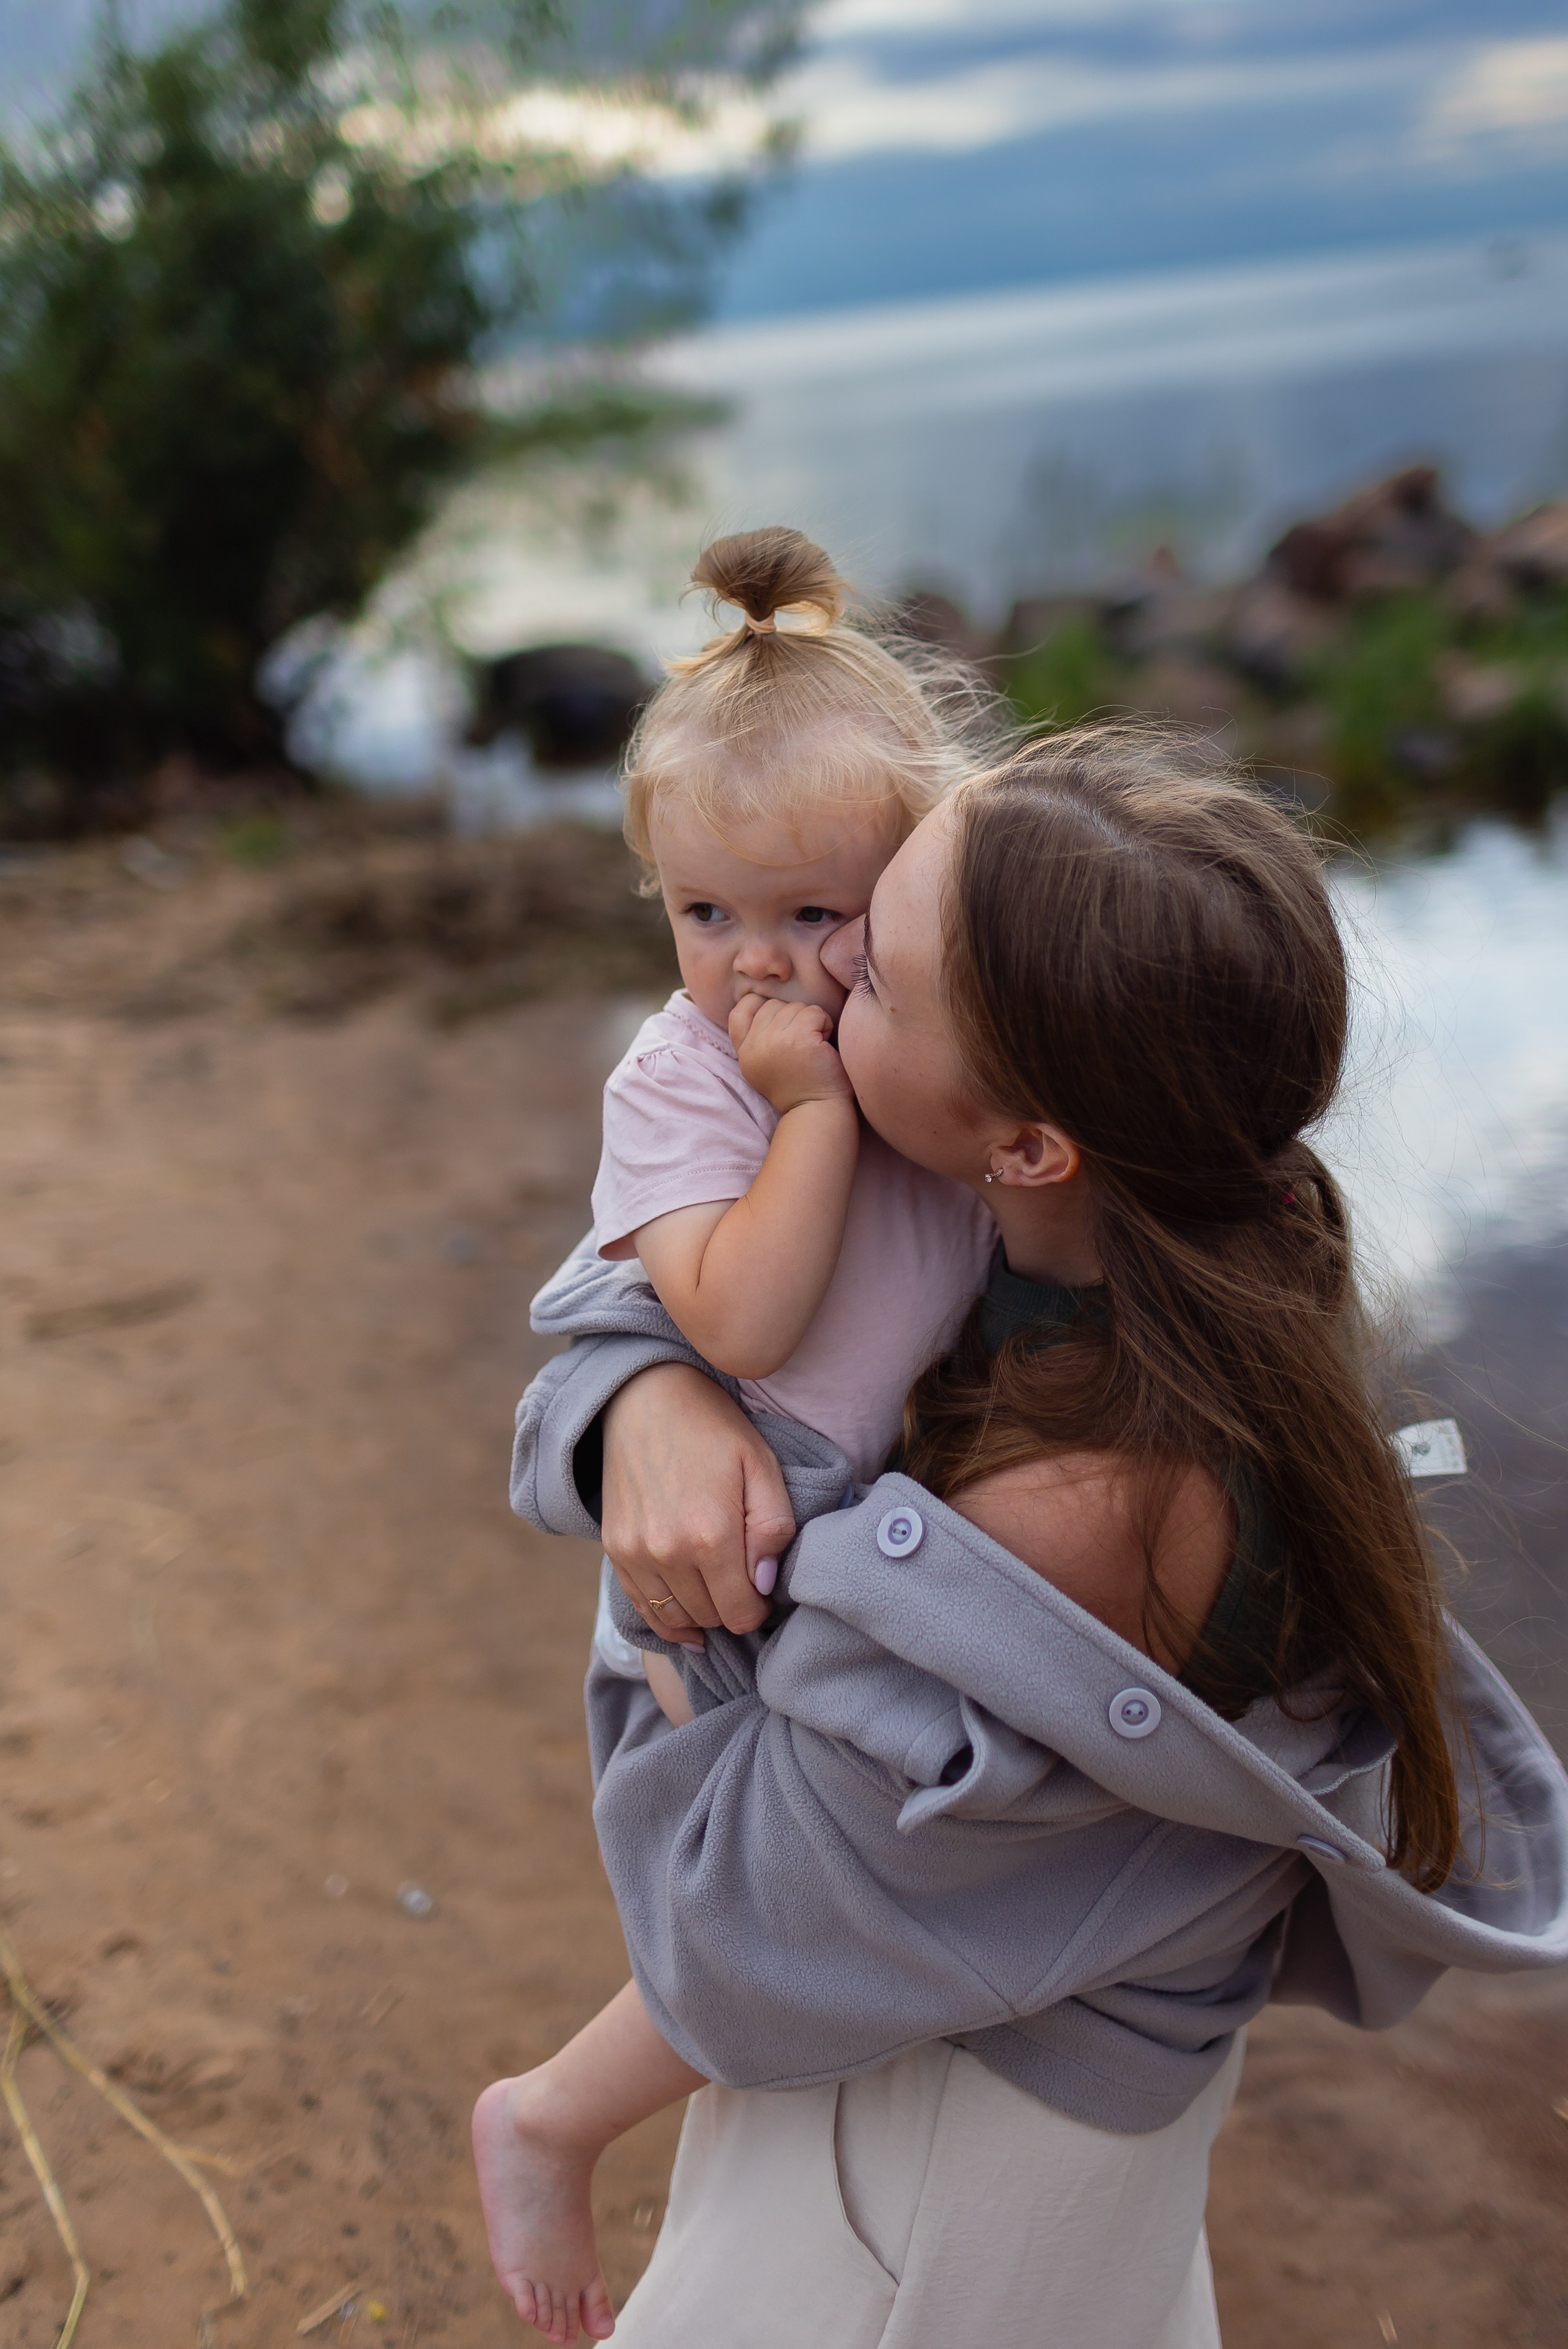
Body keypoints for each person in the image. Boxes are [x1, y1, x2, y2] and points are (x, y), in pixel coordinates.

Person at [490, 727, 1568, 2349]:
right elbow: (655, 1267)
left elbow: (730, 1931)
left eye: (875, 967)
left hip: (935, 2172)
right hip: (964, 2051)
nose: (826, 957)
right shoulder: (1171, 1240)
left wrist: (676, 1640)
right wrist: (648, 1384)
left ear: (1022, 1142)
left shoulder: (1083, 1511)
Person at [474, 525, 999, 2335]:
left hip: (867, 1536)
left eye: (810, 914)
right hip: (724, 1578)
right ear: (659, 903)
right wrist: (809, 1117)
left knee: (864, 1889)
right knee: (763, 1908)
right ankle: (550, 2120)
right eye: (707, 916)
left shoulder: (934, 1032)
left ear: (919, 870)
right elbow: (742, 1319)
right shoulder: (694, 1077)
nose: (757, 963)